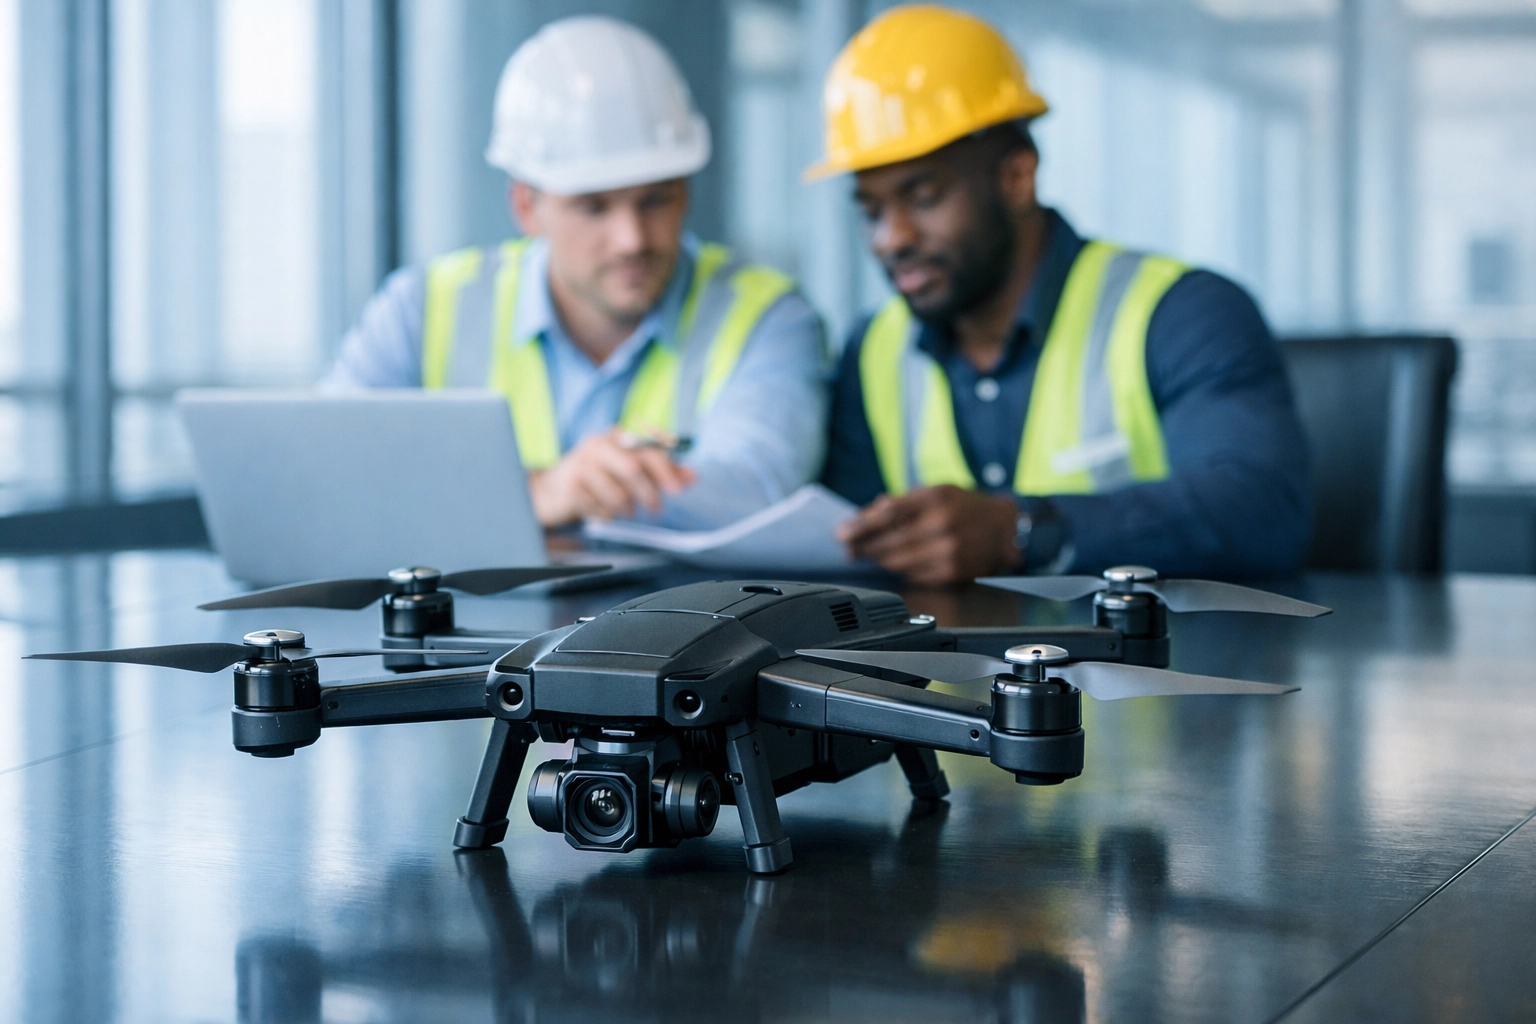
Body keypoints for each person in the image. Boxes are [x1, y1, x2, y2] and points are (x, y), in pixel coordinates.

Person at [811, 5, 1311, 586]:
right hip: (949, 677)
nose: (891, 238)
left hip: (1165, 672)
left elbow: (1265, 511)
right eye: (871, 211)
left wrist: (1016, 531)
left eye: (923, 197)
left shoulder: (1182, 313)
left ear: (1017, 178)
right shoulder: (873, 349)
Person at [326, 16, 827, 530]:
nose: (632, 239)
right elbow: (328, 478)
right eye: (594, 207)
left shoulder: (767, 318)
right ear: (527, 207)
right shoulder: (422, 310)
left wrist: (557, 495)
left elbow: (761, 493)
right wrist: (539, 492)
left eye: (656, 200)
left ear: (687, 191)